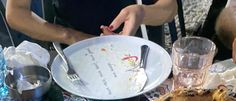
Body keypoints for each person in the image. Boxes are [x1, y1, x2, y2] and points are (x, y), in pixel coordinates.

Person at [5, 0, 177, 46]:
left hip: (141, 50)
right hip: (76, 52)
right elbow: (16, 12)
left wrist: (143, 13)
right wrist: (72, 36)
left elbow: (169, 8)